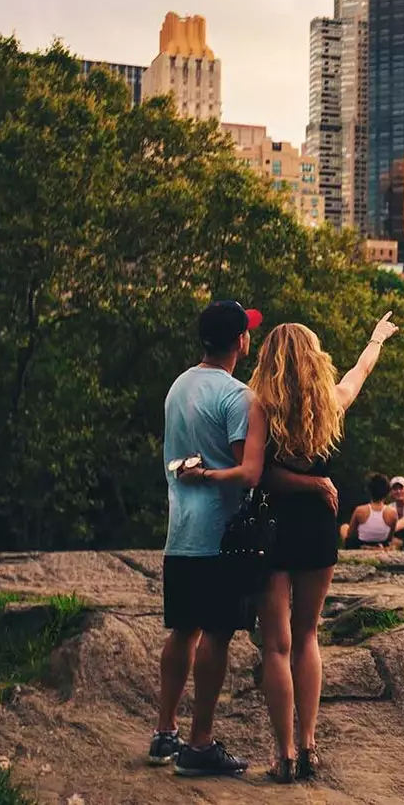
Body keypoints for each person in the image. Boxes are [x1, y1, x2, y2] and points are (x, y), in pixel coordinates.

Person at [195, 313, 397, 784]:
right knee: (308, 636)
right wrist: (375, 338)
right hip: (319, 529)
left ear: (267, 359)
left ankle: (283, 753)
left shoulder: (258, 406)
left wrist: (302, 483)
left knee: (276, 645)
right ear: (314, 358)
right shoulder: (329, 403)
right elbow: (358, 373)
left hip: (271, 530)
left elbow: (258, 473)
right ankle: (309, 746)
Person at [150, 300, 265, 777]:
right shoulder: (239, 396)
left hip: (180, 532)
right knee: (216, 636)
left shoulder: (179, 386)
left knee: (183, 631)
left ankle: (164, 733)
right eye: (247, 332)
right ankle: (200, 743)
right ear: (241, 340)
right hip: (221, 536)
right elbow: (245, 473)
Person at [343, 473, 396, 549]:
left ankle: (366, 547)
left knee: (344, 527)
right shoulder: (392, 512)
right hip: (382, 543)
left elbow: (351, 534)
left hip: (361, 543)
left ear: (369, 490)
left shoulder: (360, 510)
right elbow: (390, 537)